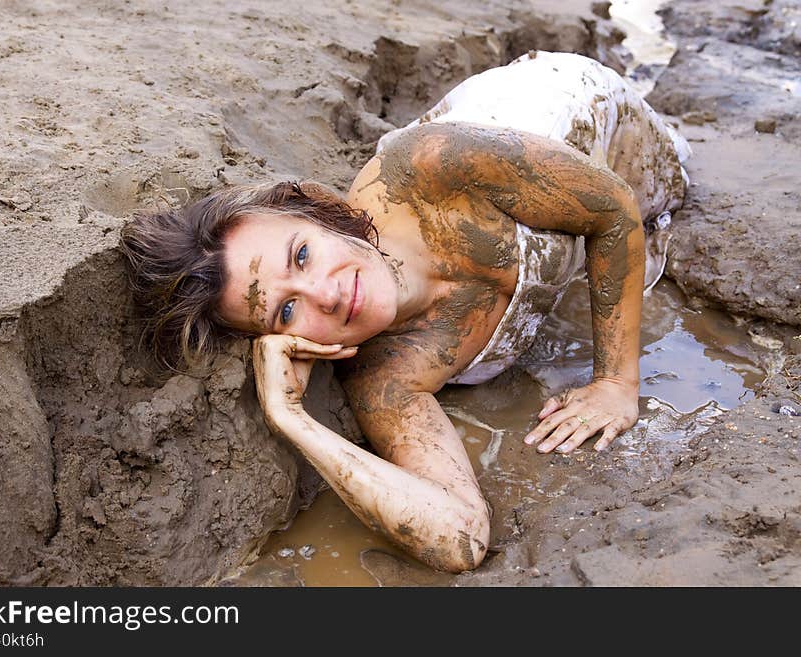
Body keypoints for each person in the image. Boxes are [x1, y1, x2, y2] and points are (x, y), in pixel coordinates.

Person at [119, 51, 690, 572]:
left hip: (575, 111)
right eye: (286, 310)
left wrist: (615, 380)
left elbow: (613, 211)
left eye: (302, 253)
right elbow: (461, 540)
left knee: (676, 193)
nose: (326, 294)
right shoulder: (383, 373)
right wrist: (292, 419)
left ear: (318, 214)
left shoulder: (435, 167)